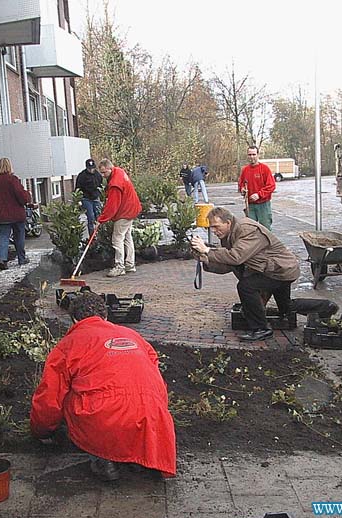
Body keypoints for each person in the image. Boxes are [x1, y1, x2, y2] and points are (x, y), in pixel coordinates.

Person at [29, 291, 176, 481]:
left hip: (103, 419)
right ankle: (137, 458)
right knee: (139, 395)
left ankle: (103, 457)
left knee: (69, 396)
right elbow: (155, 379)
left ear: (74, 320)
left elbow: (50, 397)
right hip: (151, 417)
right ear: (105, 315)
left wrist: (41, 430)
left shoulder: (68, 345)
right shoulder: (134, 336)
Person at [190, 206, 300, 341]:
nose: (213, 231)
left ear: (228, 222)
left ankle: (261, 329)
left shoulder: (246, 230)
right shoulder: (229, 234)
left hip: (280, 270)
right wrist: (206, 259)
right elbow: (230, 264)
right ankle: (324, 307)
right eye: (211, 227)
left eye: (216, 226)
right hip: (273, 270)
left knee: (246, 286)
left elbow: (236, 257)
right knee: (286, 308)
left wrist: (207, 250)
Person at [96, 158, 142, 278]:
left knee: (117, 238)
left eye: (104, 172)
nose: (103, 175)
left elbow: (112, 205)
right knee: (127, 237)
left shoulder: (115, 184)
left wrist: (101, 220)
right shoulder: (119, 171)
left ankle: (119, 266)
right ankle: (130, 265)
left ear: (110, 169)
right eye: (101, 172)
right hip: (132, 208)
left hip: (125, 211)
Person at [0, 157, 32, 270]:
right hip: (16, 215)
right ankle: (22, 259)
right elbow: (22, 196)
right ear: (10, 167)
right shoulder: (13, 180)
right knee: (19, 236)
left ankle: (2, 259)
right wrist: (28, 195)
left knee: (3, 236)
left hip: (1, 216)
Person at [238, 146, 276, 230]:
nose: (252, 157)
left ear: (258, 155)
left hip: (263, 204)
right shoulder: (245, 170)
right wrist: (242, 190)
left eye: (254, 154)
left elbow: (271, 186)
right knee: (250, 229)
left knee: (265, 228)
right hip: (250, 205)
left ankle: (267, 243)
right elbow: (241, 184)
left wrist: (259, 195)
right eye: (249, 154)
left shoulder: (265, 169)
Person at [75, 158, 103, 236]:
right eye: (89, 168)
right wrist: (78, 200)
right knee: (91, 217)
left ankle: (100, 235)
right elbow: (78, 188)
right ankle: (92, 236)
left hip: (96, 198)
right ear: (87, 167)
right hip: (86, 199)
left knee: (99, 217)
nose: (91, 170)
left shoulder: (97, 175)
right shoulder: (82, 176)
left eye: (93, 168)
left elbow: (101, 186)